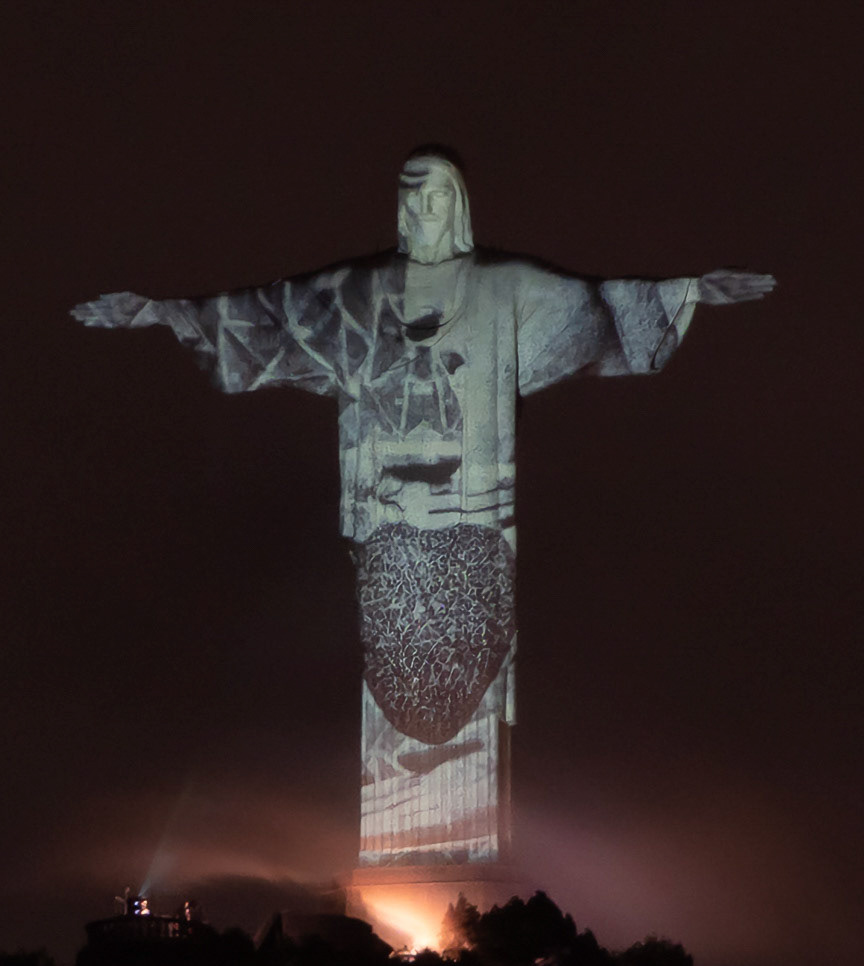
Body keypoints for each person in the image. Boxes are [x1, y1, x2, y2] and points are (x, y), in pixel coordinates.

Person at [72, 147, 774, 866]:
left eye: (436, 197)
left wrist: (687, 292)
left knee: (467, 690)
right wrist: (158, 314)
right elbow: (267, 315)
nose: (421, 212)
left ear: (460, 205)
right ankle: (401, 856)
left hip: (471, 522)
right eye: (409, 198)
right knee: (397, 692)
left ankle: (461, 865)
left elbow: (594, 309)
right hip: (390, 530)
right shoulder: (359, 293)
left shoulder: (504, 287)